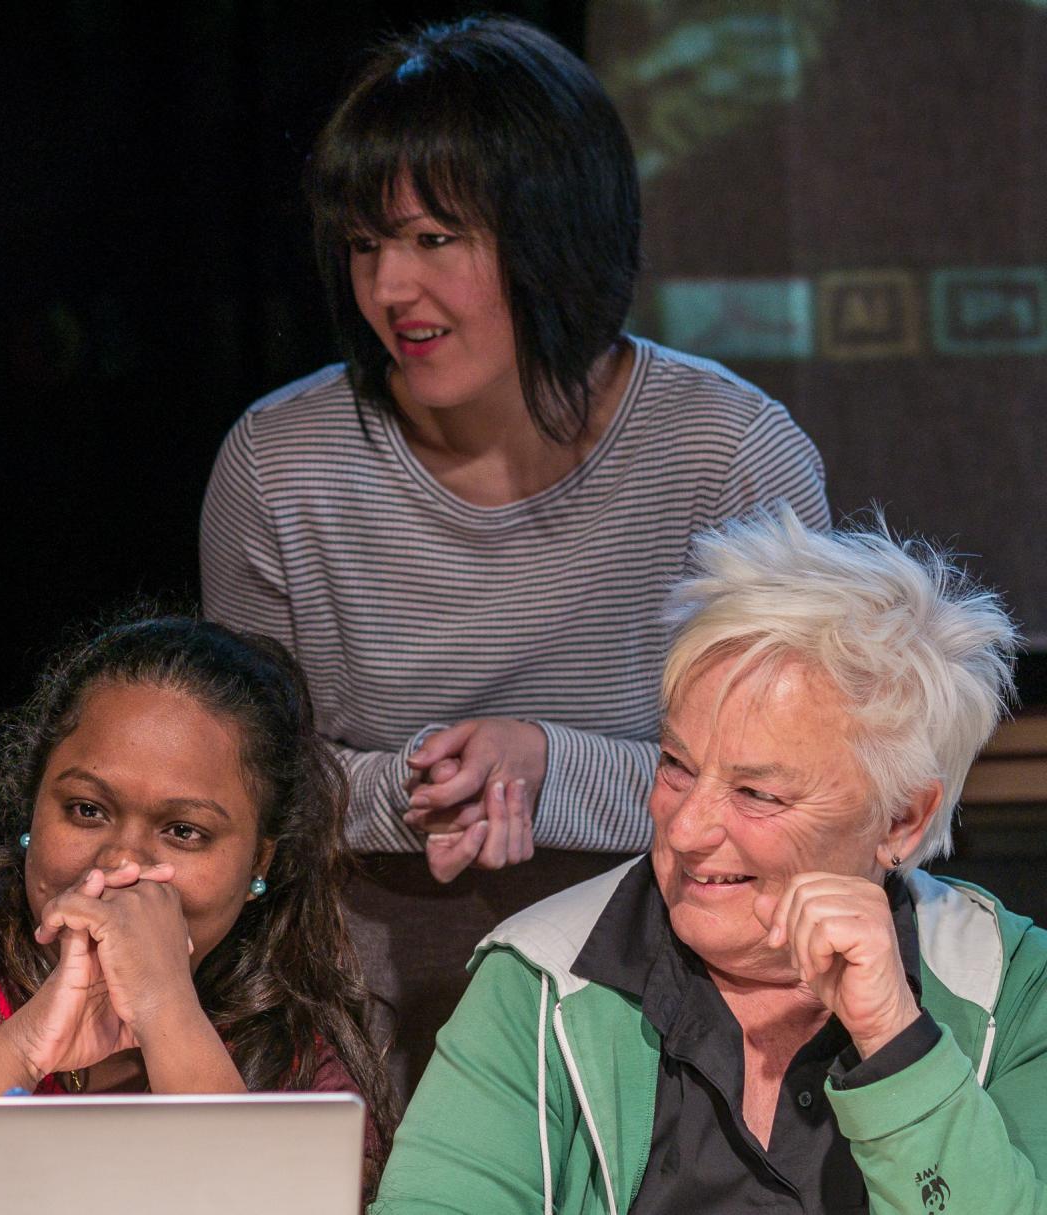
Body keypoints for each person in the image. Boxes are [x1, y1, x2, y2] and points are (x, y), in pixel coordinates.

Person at [199, 15, 829, 1095]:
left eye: (436, 239)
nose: (393, 290)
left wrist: (546, 765)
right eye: (365, 245)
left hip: (681, 1006)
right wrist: (422, 790)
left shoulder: (727, 454)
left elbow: (806, 793)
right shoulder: (280, 463)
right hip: (358, 1017)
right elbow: (234, 789)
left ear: (556, 233)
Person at [372, 506, 1047, 1212]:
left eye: (757, 792)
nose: (687, 827)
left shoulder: (1012, 986)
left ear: (902, 817)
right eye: (676, 764)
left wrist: (894, 1041)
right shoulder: (538, 982)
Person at [0, 617, 395, 1180]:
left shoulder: (301, 1070)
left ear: (259, 860)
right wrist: (20, 1051)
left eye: (184, 831)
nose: (120, 864)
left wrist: (168, 1012)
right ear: (33, 805)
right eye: (87, 809)